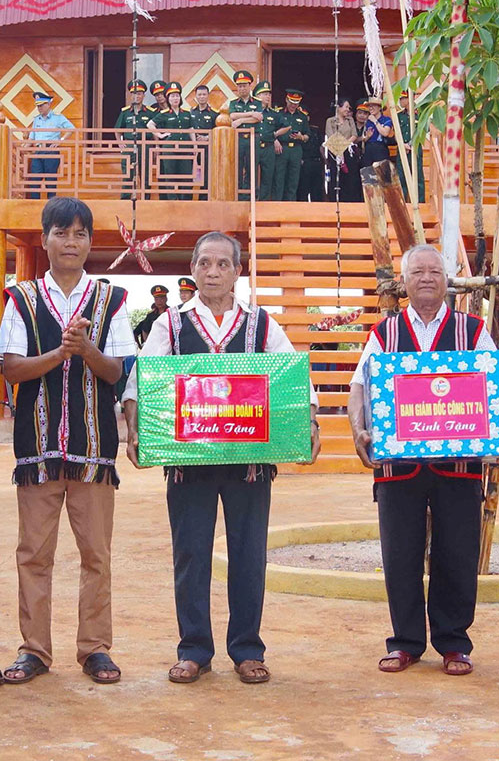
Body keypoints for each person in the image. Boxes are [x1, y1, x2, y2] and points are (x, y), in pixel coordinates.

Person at [123, 232, 320, 685]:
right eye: (204, 263)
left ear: (237, 271)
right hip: (186, 462)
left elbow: (294, 378)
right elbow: (144, 380)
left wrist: (308, 424)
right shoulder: (169, 325)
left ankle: (247, 649)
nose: (212, 272)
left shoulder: (261, 323)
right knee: (190, 555)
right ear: (192, 269)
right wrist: (135, 429)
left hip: (250, 463)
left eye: (222, 264)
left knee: (249, 555)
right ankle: (193, 650)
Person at [0, 197, 138, 685]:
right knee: (34, 554)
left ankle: (95, 648)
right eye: (61, 232)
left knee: (95, 554)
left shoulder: (111, 298)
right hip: (35, 448)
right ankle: (34, 649)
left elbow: (116, 371)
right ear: (46, 239)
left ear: (90, 242)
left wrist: (87, 350)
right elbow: (11, 367)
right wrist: (60, 352)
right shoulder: (21, 298)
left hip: (94, 448)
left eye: (79, 234)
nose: (70, 242)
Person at [348, 244, 495, 676]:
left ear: (447, 280)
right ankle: (406, 642)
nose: (427, 278)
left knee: (458, 553)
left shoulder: (473, 330)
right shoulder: (384, 333)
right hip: (398, 466)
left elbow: (494, 384)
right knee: (400, 555)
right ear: (404, 281)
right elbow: (360, 386)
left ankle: (454, 643)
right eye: (418, 272)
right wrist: (359, 428)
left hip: (459, 464)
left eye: (435, 271)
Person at [25, 91, 74, 199]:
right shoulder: (36, 119)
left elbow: (71, 129)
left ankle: (51, 207)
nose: (39, 108)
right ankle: (34, 204)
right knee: (34, 180)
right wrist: (23, 149)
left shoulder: (58, 117)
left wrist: (60, 140)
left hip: (51, 151)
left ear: (48, 104)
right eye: (38, 106)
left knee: (50, 181)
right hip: (38, 151)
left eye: (41, 105)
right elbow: (31, 138)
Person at [149, 81, 194, 200]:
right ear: (168, 99)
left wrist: (194, 145)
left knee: (187, 175)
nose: (175, 98)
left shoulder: (187, 113)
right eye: (172, 96)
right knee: (170, 175)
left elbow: (190, 129)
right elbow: (150, 124)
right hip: (169, 148)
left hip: (185, 148)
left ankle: (186, 200)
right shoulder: (164, 114)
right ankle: (172, 200)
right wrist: (160, 135)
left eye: (177, 96)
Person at [114, 79, 153, 199]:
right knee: (128, 174)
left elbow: (156, 128)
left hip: (145, 147)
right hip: (129, 146)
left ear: (143, 95)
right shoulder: (125, 112)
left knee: (146, 175)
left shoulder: (150, 112)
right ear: (131, 95)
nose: (137, 96)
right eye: (134, 93)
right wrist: (120, 143)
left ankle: (146, 200)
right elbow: (117, 129)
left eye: (139, 93)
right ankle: (125, 199)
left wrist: (156, 146)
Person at [252, 81, 290, 202]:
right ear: (257, 96)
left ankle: (263, 203)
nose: (268, 96)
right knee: (251, 176)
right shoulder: (252, 112)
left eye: (269, 94)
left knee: (267, 177)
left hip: (268, 148)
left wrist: (274, 135)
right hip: (254, 146)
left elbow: (287, 126)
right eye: (264, 94)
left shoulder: (274, 114)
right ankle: (250, 201)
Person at [227, 71, 260, 201]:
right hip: (238, 140)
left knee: (252, 166)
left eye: (244, 85)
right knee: (238, 167)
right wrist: (251, 114)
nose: (242, 88)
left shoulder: (257, 102)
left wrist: (241, 120)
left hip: (253, 138)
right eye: (239, 86)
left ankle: (250, 195)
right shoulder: (233, 102)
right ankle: (239, 194)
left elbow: (258, 118)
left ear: (249, 86)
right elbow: (232, 116)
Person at [279, 89, 312, 201]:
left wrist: (301, 137)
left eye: (296, 102)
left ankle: (291, 205)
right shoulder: (279, 114)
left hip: (296, 150)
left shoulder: (302, 116)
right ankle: (277, 205)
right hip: (282, 148)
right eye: (291, 102)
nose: (293, 105)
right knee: (279, 178)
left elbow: (308, 135)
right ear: (286, 100)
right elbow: (272, 132)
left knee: (293, 180)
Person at [325, 99, 359, 203]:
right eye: (346, 107)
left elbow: (354, 135)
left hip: (348, 152)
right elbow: (330, 136)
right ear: (338, 107)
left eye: (349, 108)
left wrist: (344, 146)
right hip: (335, 152)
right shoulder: (330, 121)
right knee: (335, 178)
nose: (348, 109)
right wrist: (339, 150)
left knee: (349, 179)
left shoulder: (350, 120)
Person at [361, 97, 390, 172]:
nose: (370, 108)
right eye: (369, 106)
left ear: (380, 107)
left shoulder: (386, 120)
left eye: (373, 105)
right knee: (368, 177)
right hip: (369, 149)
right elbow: (363, 139)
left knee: (382, 176)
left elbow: (385, 133)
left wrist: (375, 121)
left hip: (381, 149)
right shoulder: (367, 121)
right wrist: (367, 137)